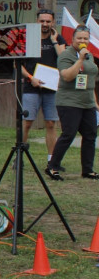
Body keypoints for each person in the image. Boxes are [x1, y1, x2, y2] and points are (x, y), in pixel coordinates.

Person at [45, 25, 99, 181]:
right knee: (69, 134)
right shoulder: (66, 55)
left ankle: (87, 170)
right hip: (69, 102)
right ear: (73, 39)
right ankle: (52, 167)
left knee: (90, 135)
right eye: (79, 38)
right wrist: (80, 59)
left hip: (87, 102)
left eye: (85, 38)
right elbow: (67, 76)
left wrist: (95, 103)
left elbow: (89, 81)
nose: (83, 41)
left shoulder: (90, 55)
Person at [20, 8, 66, 165]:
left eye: (48, 21)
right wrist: (31, 78)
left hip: (51, 89)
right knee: (26, 123)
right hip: (31, 86)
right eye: (42, 21)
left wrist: (54, 41)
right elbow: (17, 65)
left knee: (51, 123)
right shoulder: (28, 38)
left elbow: (64, 58)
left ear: (52, 22)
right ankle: (19, 157)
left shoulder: (59, 39)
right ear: (36, 21)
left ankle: (51, 160)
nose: (45, 24)